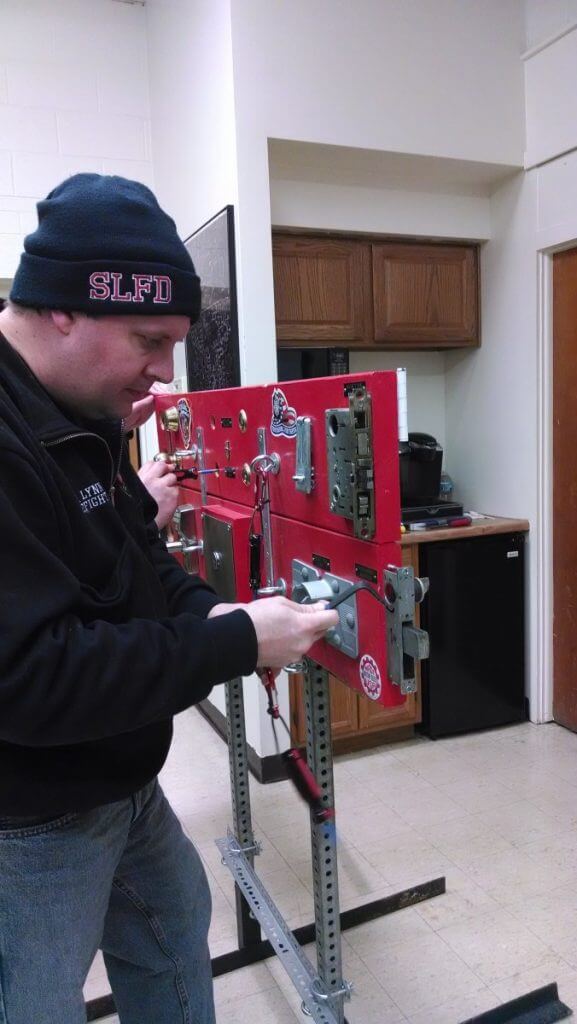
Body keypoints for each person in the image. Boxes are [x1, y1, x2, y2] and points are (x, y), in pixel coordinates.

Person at [0, 173, 338, 1024]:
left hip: (121, 777)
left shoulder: (82, 412)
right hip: (28, 819)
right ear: (63, 308)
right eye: (150, 340)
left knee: (174, 931)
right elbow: (32, 678)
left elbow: (138, 557)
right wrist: (235, 643)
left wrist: (214, 615)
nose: (165, 372)